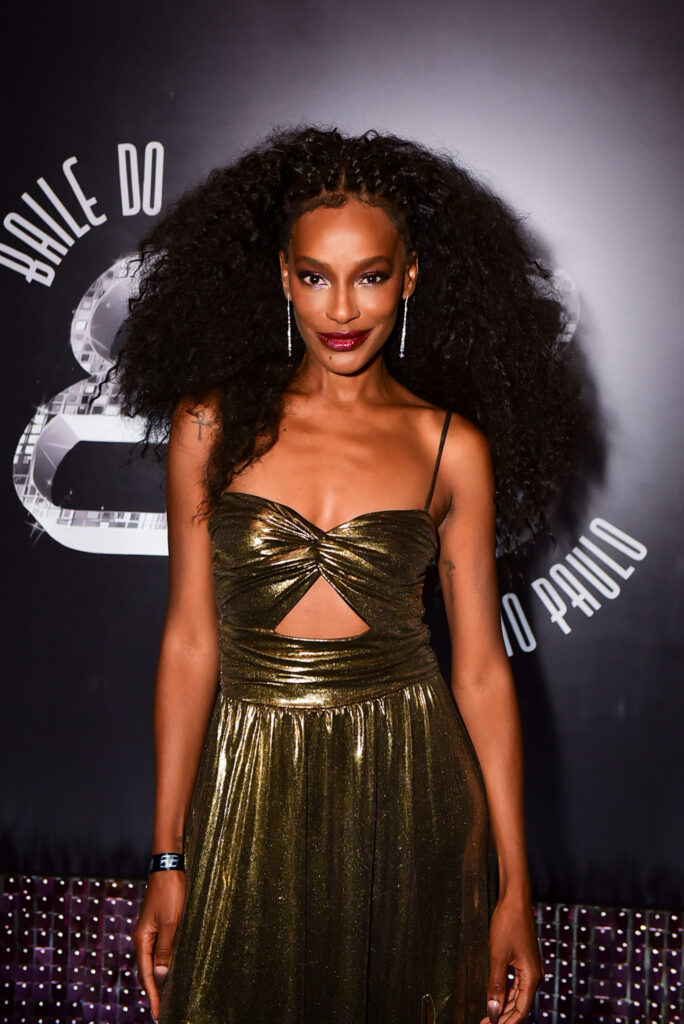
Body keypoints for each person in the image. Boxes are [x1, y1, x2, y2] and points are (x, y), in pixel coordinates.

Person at [111, 125, 579, 1024]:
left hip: (410, 785)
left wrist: (514, 887)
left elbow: (482, 672)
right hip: (248, 778)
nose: (341, 308)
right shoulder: (209, 426)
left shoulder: (450, 447)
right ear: (283, 278)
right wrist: (168, 856)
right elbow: (191, 642)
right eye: (315, 275)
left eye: (369, 276)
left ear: (410, 278)